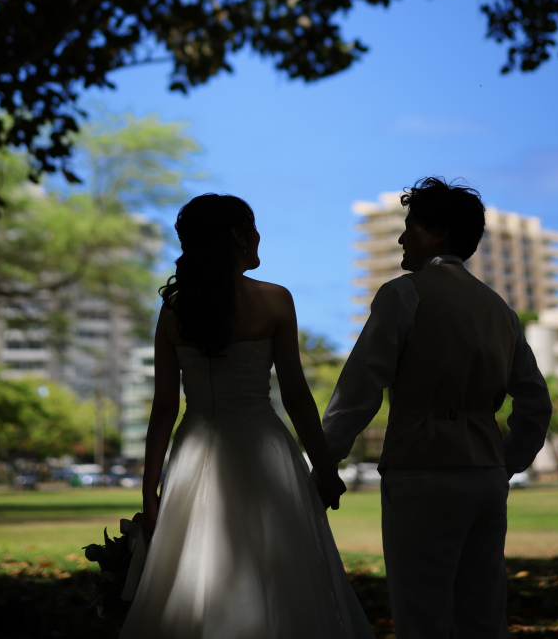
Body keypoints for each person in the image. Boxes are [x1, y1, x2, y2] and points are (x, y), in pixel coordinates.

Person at [120, 192, 374, 639]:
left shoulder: (174, 311)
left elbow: (163, 408)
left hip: (194, 450)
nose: (259, 238)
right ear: (238, 237)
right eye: (253, 229)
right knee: (281, 572)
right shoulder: (276, 301)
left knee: (195, 569)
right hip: (264, 448)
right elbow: (295, 395)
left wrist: (150, 491)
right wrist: (325, 467)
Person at [322, 177, 553, 639]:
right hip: (486, 474)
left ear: (440, 233)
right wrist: (507, 461)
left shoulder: (403, 294)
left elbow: (359, 392)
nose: (403, 237)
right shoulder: (499, 309)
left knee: (422, 615)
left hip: (421, 470)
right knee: (484, 614)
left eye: (412, 226)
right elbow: (536, 402)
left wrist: (322, 459)